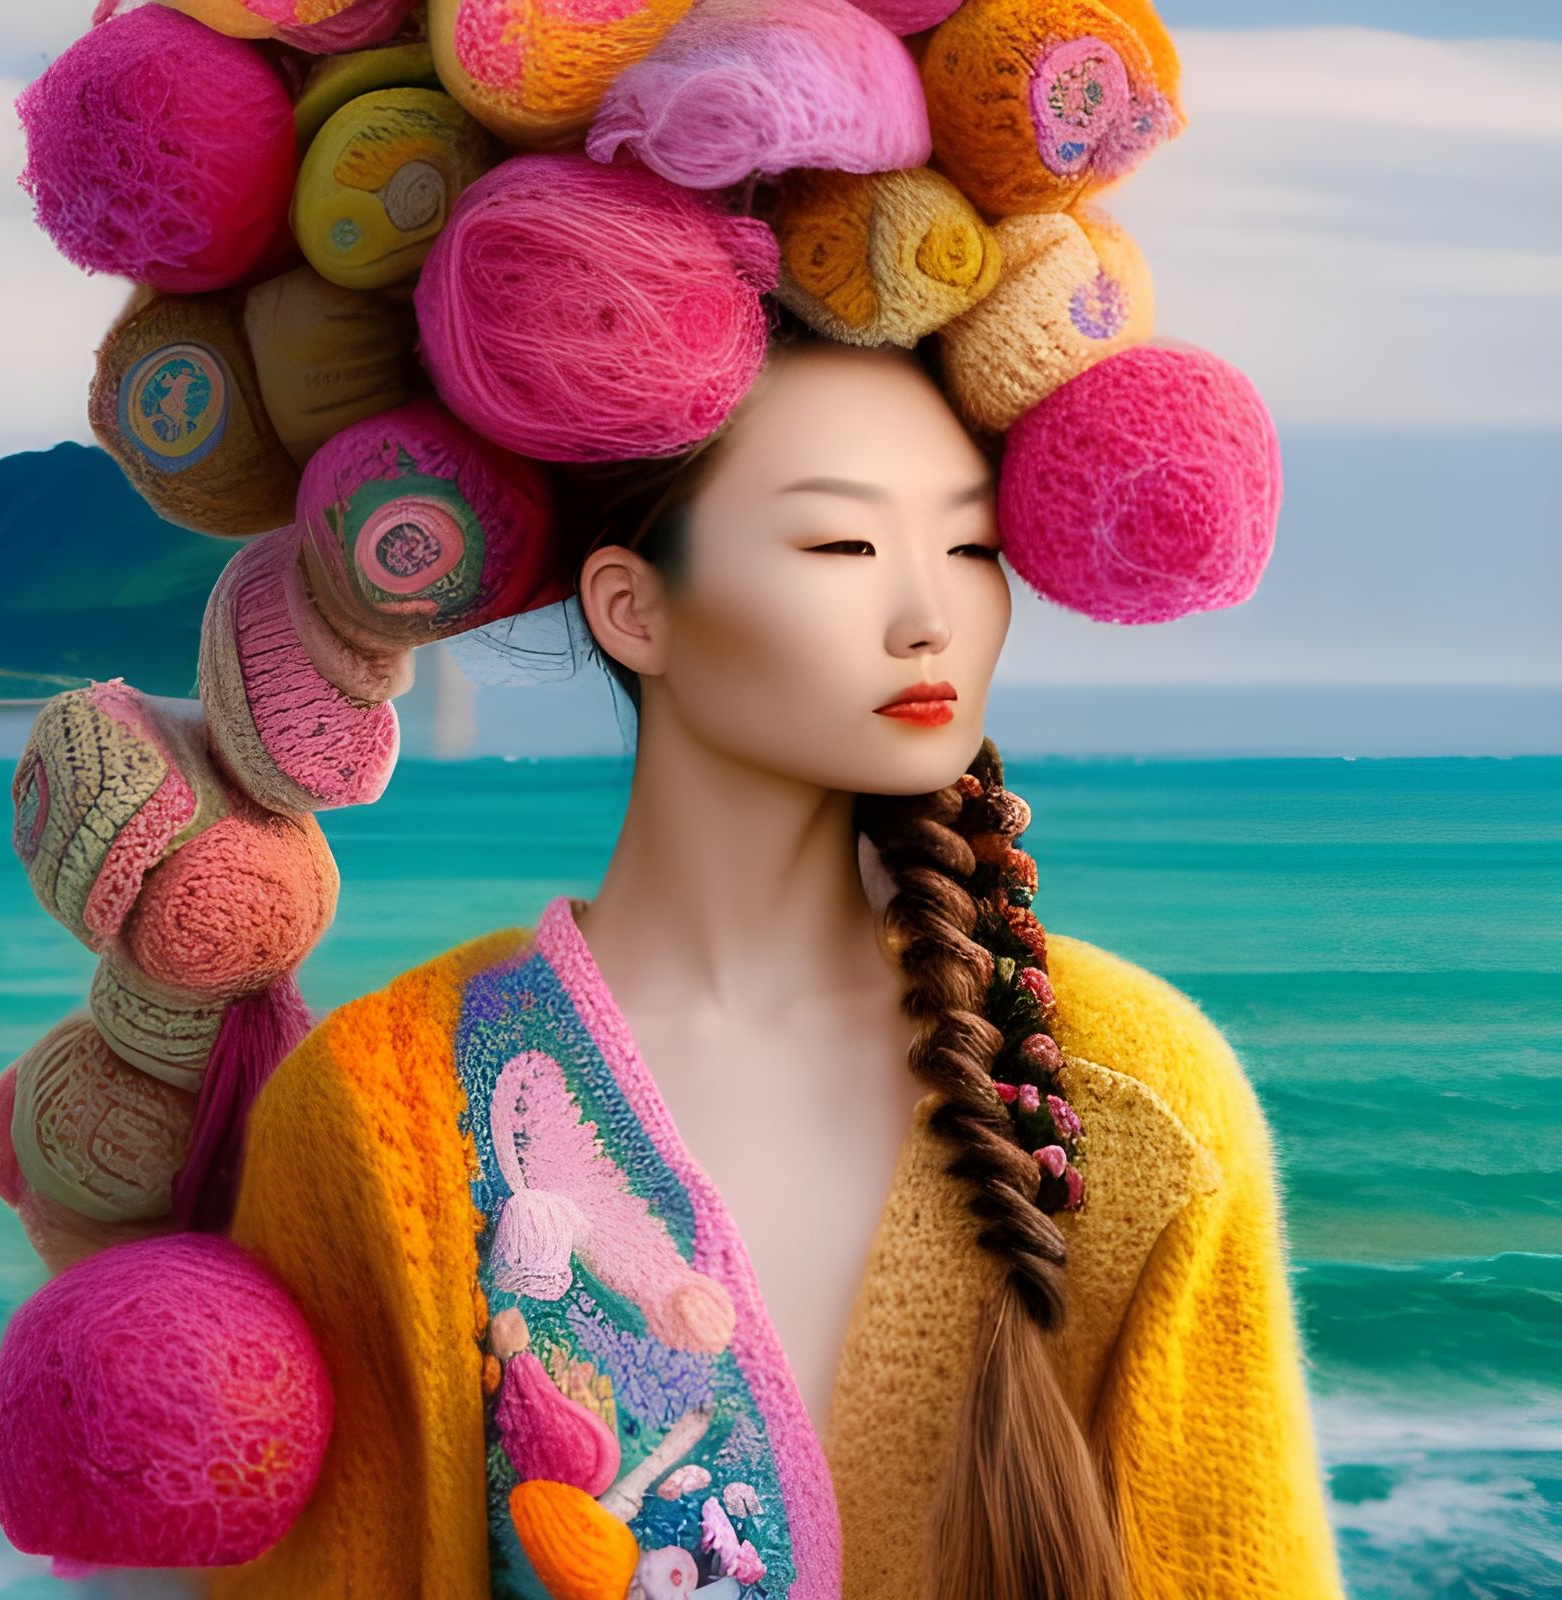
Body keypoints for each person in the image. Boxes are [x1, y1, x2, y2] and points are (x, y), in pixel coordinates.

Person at [185, 316, 1347, 1600]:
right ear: (632, 607)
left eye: (971, 546)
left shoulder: (1139, 1094)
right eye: (842, 543)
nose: (929, 615)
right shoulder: (377, 1109)